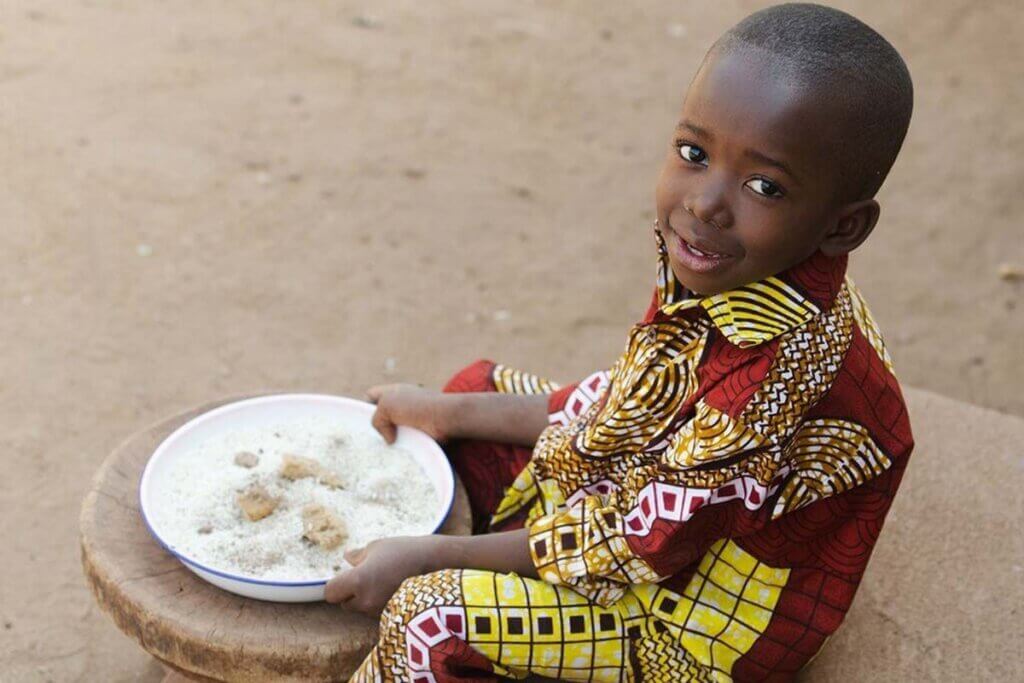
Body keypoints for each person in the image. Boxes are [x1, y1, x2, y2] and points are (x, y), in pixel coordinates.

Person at [327, 3, 915, 681]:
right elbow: (633, 400)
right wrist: (446, 411)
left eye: (764, 186)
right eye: (693, 153)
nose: (705, 202)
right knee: (468, 395)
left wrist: (425, 559)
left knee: (427, 615)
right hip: (664, 504)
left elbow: (633, 540)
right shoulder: (738, 266)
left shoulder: (773, 386)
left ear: (842, 227)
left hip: (690, 626)